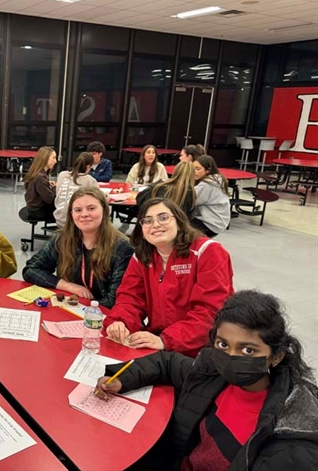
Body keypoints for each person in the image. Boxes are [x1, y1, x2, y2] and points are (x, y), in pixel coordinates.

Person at [97, 290, 318, 471]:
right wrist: (122, 379)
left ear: (276, 356)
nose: (230, 356)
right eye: (223, 345)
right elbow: (168, 363)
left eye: (248, 350)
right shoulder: (213, 373)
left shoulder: (291, 437)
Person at [104, 197, 234, 357]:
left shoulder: (208, 252)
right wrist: (121, 322)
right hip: (159, 345)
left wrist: (166, 340)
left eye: (163, 217)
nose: (156, 225)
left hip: (200, 351)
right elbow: (130, 298)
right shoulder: (142, 257)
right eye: (147, 221)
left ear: (179, 221)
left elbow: (210, 313)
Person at [23, 187, 134, 309]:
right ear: (71, 214)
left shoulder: (122, 248)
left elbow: (115, 299)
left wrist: (83, 309)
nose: (84, 214)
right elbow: (31, 270)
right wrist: (69, 286)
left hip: (99, 314)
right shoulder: (62, 239)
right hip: (69, 307)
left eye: (91, 208)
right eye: (78, 210)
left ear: (104, 210)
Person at [53, 152, 97, 228]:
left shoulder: (62, 175)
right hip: (76, 222)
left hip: (59, 220)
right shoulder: (90, 180)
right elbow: (100, 198)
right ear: (88, 166)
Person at [192, 155, 231, 237]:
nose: (194, 171)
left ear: (208, 170)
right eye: (193, 168)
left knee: (178, 225)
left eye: (198, 169)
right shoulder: (218, 179)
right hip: (219, 221)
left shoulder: (207, 184)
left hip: (210, 223)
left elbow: (191, 200)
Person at [24, 146, 57, 223]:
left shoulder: (37, 173)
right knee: (66, 210)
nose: (55, 161)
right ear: (45, 159)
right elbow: (50, 199)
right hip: (38, 211)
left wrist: (47, 184)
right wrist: (56, 188)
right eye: (53, 158)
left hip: (33, 208)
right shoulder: (40, 177)